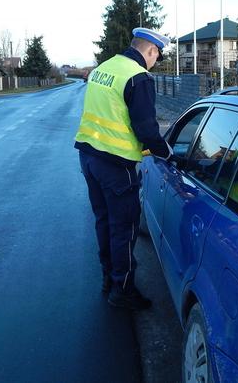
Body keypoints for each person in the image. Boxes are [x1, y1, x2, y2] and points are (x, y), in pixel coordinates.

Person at [75, 27, 172, 310]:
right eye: (157, 56)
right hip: (117, 166)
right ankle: (123, 289)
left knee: (104, 222)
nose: (155, 62)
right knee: (124, 229)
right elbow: (147, 129)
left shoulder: (104, 68)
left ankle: (109, 279)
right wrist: (167, 153)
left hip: (89, 157)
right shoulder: (138, 76)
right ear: (151, 50)